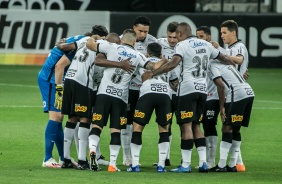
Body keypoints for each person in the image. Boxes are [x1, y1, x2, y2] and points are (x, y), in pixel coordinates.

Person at [142, 22, 234, 173]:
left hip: (187, 89)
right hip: (202, 90)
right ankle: (204, 163)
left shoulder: (182, 45)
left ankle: (185, 164)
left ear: (179, 34)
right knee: (196, 124)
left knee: (186, 126)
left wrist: (154, 73)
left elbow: (173, 63)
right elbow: (223, 58)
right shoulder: (206, 44)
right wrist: (235, 67)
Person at [86, 29, 168, 172]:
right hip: (120, 98)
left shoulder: (111, 46)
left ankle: (92, 149)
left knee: (96, 126)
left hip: (103, 94)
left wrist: (93, 37)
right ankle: (112, 164)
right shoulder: (138, 55)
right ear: (134, 41)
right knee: (116, 131)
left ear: (122, 39)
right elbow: (153, 67)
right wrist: (165, 60)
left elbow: (89, 44)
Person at [56, 29, 119, 170]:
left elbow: (64, 47)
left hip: (70, 79)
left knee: (72, 118)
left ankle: (66, 159)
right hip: (83, 83)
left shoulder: (84, 40)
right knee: (85, 119)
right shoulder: (103, 46)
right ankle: (82, 160)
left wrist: (61, 42)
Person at [38, 31, 87, 168]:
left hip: (57, 81)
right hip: (50, 81)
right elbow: (59, 66)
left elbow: (61, 43)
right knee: (56, 117)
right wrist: (59, 89)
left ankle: (63, 158)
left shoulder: (77, 39)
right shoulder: (80, 46)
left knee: (60, 118)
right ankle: (47, 158)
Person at [127, 42, 178, 173]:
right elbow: (175, 84)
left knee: (137, 128)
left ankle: (135, 164)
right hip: (164, 95)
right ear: (161, 54)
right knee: (164, 129)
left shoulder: (143, 62)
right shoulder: (167, 65)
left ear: (147, 54)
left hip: (147, 94)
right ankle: (161, 165)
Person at [121, 16, 157, 166]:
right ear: (133, 28)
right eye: (140, 31)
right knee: (126, 122)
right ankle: (126, 157)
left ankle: (134, 156)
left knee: (138, 123)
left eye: (145, 31)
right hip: (128, 88)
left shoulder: (153, 41)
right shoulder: (123, 40)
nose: (143, 34)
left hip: (145, 90)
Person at [207, 59, 255, 172]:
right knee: (236, 129)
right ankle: (232, 164)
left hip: (237, 93)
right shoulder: (225, 64)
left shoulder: (212, 65)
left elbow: (220, 86)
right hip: (249, 92)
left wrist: (221, 107)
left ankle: (222, 165)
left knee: (227, 128)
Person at [220, 20, 250, 171]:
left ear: (234, 33)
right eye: (221, 33)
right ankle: (237, 162)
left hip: (235, 92)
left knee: (228, 127)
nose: (222, 36)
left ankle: (235, 162)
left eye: (225, 32)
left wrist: (221, 55)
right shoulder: (228, 47)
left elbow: (239, 59)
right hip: (232, 91)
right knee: (233, 127)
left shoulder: (239, 47)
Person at [152, 21, 179, 167]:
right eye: (170, 37)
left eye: (175, 37)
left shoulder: (184, 45)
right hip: (165, 91)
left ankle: (184, 159)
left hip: (182, 91)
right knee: (165, 124)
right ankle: (165, 158)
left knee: (184, 125)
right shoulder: (159, 43)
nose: (172, 40)